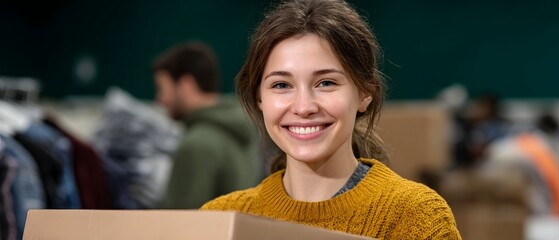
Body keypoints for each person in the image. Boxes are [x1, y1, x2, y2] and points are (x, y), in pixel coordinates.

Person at [201, 0, 461, 239]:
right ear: (260, 99)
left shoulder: (415, 217)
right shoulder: (220, 218)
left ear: (364, 94)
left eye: (326, 83)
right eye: (281, 85)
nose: (304, 107)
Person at [153, 42, 261, 209]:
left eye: (162, 89)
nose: (159, 99)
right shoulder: (243, 128)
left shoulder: (196, 144)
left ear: (186, 85)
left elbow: (180, 224)